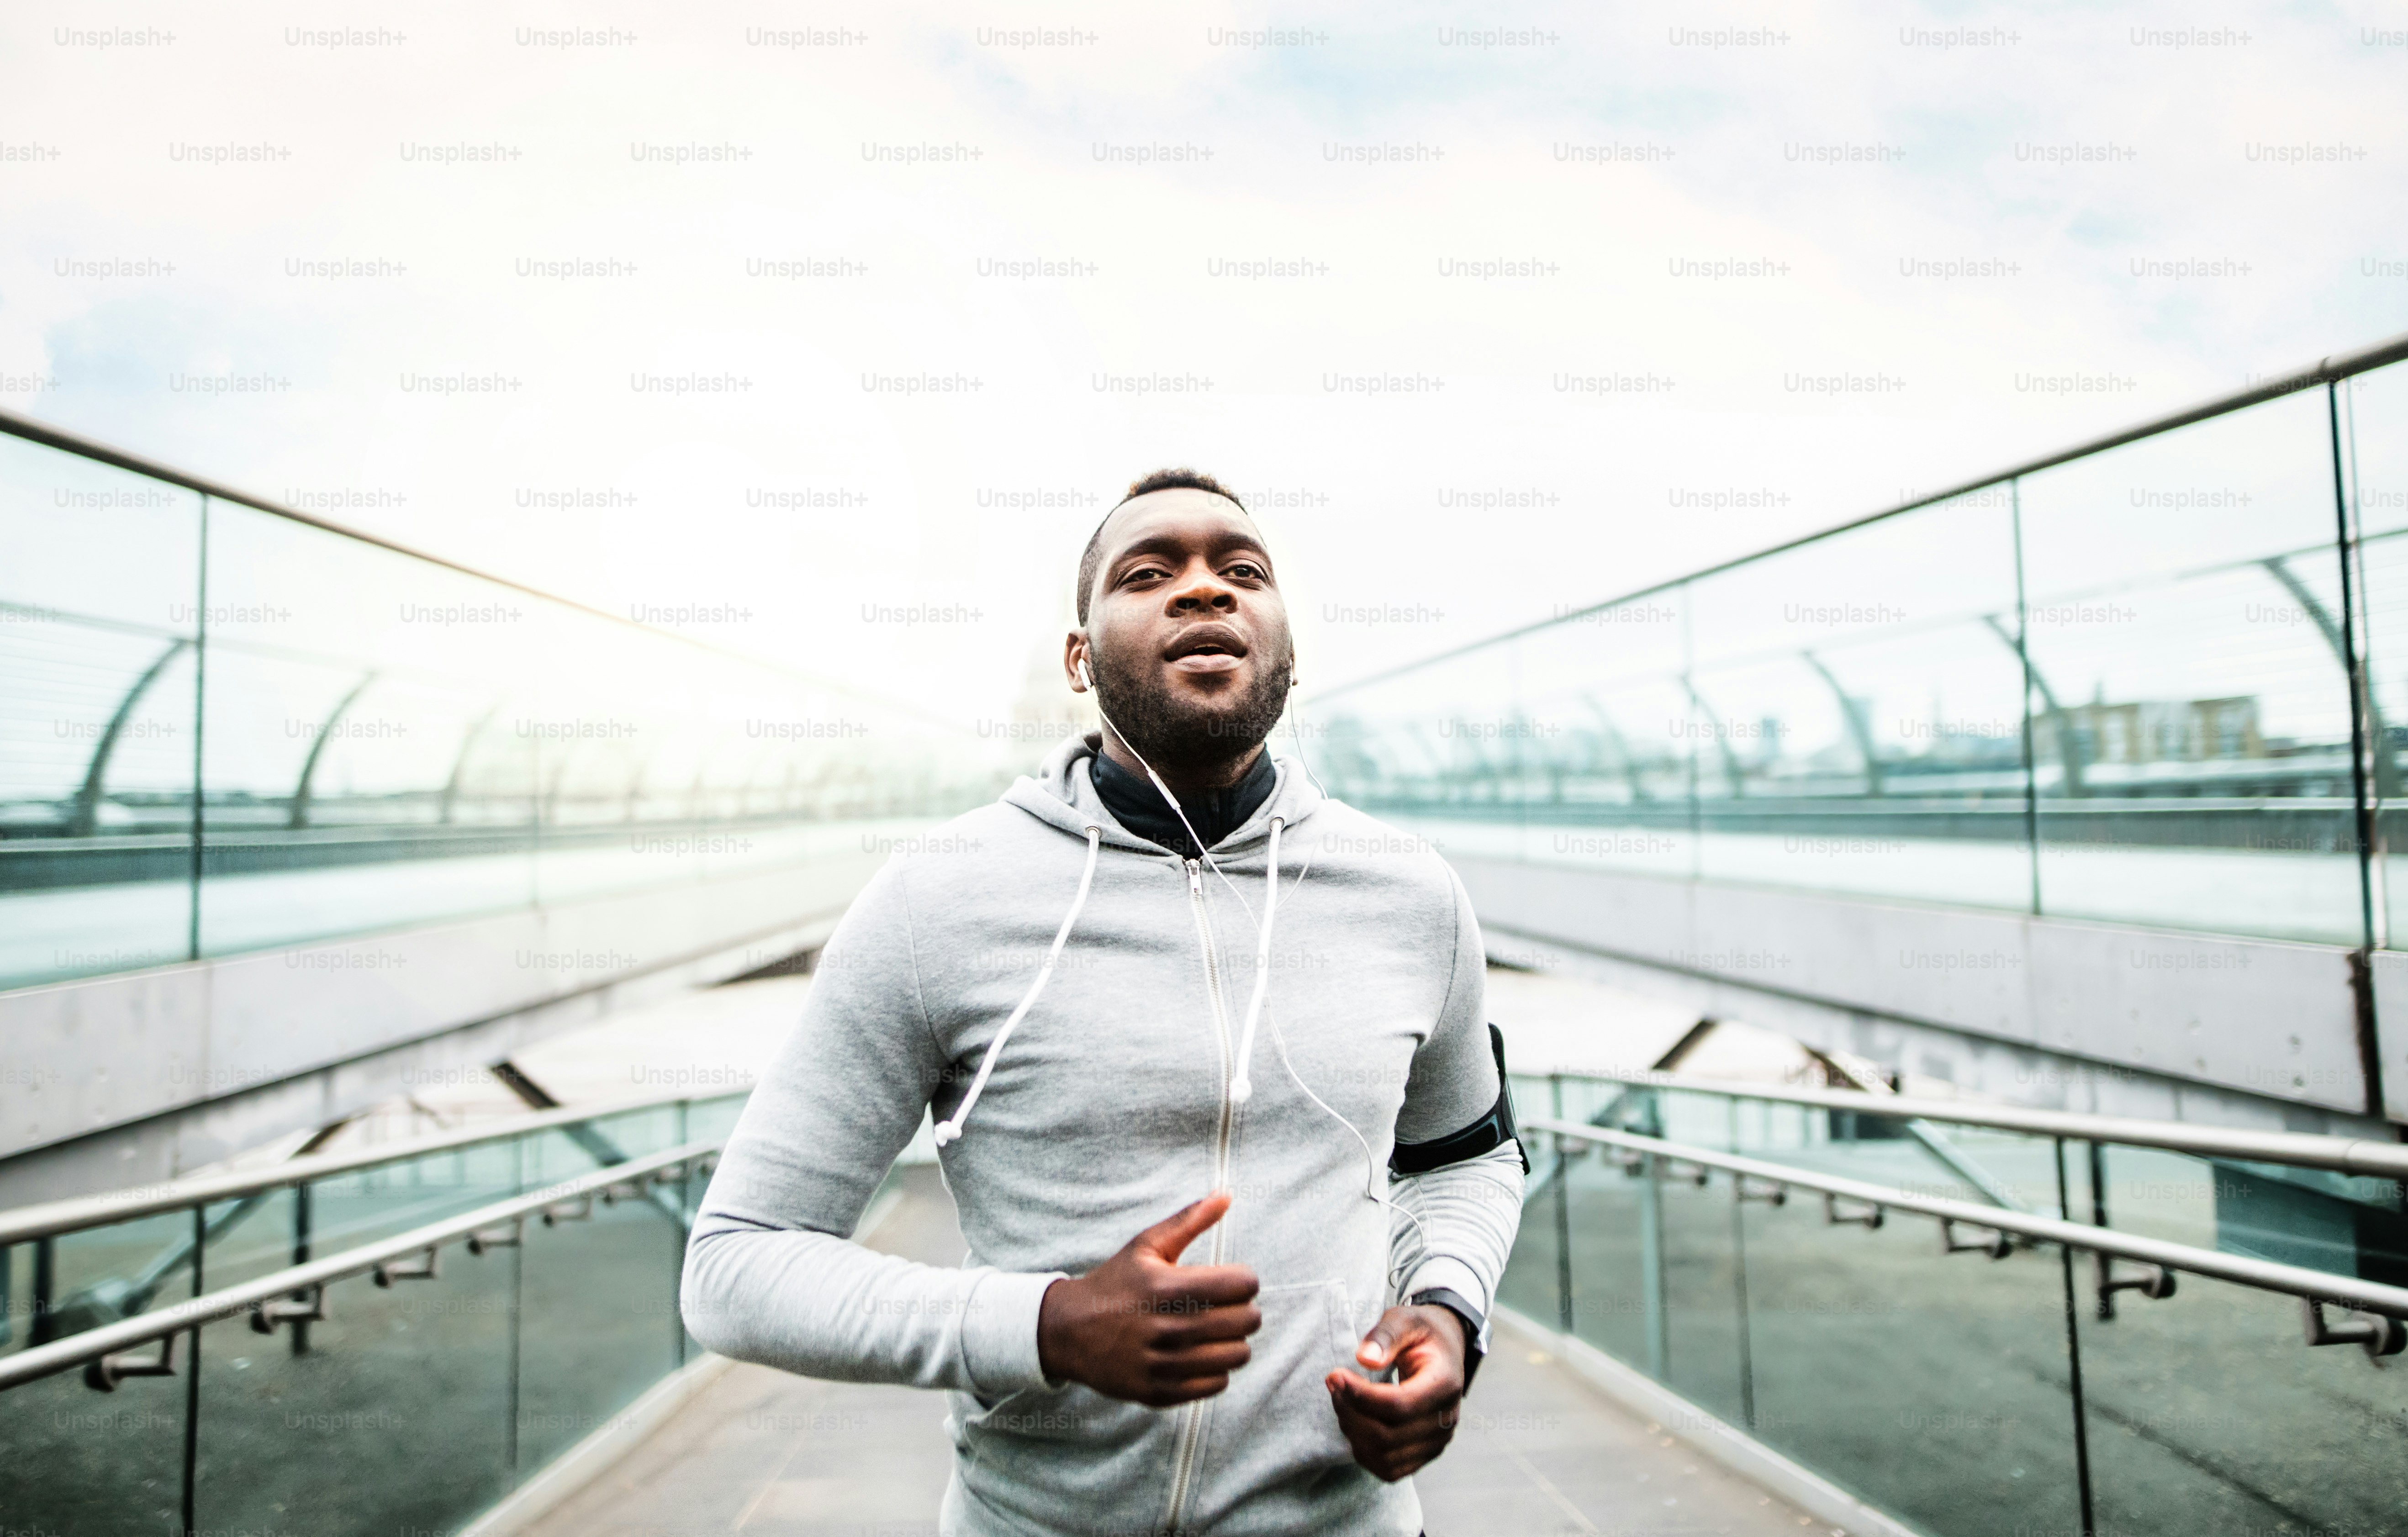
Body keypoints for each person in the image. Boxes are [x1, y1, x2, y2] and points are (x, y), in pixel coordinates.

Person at [684, 469, 1526, 1536]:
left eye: (1240, 570)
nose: (1203, 589)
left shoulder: (1412, 895)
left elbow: (1461, 1158)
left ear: (1287, 649)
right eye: (1147, 571)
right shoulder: (935, 899)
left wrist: (1447, 1313)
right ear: (1079, 660)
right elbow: (737, 1261)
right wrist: (1041, 1324)